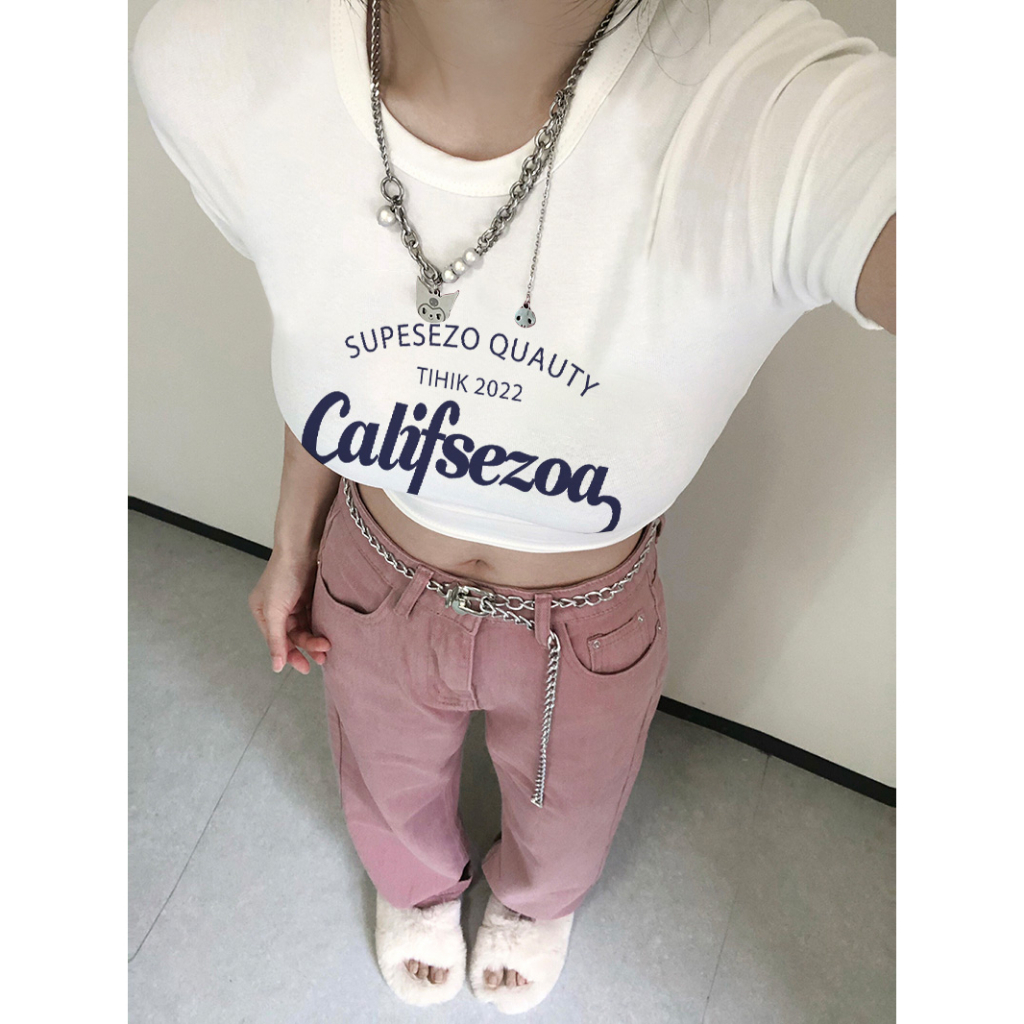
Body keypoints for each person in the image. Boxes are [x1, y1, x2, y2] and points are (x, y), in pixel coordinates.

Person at [131, 0, 896, 1012]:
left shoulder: (776, 108)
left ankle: (535, 904)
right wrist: (290, 547)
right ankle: (415, 885)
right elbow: (330, 351)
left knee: (570, 803)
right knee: (384, 775)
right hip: (373, 573)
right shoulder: (221, 57)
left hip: (586, 621)